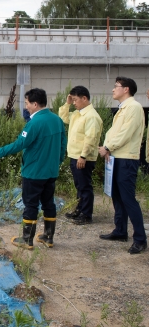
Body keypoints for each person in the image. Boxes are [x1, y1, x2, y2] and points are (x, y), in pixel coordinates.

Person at [0, 88, 67, 249]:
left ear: (35, 104)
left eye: (27, 103)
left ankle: (27, 239)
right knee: (49, 203)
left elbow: (19, 145)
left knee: (31, 204)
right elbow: (63, 144)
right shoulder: (57, 120)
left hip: (34, 172)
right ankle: (48, 237)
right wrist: (58, 162)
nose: (26, 106)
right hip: (51, 171)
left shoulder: (34, 123)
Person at [98, 77, 146, 254]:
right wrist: (107, 148)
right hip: (116, 157)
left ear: (126, 89)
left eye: (116, 87)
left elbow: (126, 134)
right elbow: (113, 132)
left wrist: (108, 147)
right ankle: (120, 231)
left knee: (128, 199)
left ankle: (140, 239)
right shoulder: (123, 108)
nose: (113, 90)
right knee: (117, 196)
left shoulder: (133, 107)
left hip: (126, 159)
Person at [58, 86, 103, 225]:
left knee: (84, 186)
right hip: (75, 155)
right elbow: (63, 117)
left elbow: (91, 138)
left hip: (83, 158)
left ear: (85, 98)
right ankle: (79, 209)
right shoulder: (78, 114)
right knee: (79, 185)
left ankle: (86, 214)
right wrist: (67, 103)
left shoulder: (92, 116)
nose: (74, 102)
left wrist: (83, 156)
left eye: (76, 100)